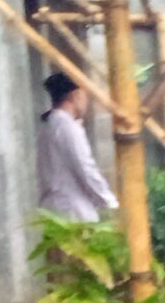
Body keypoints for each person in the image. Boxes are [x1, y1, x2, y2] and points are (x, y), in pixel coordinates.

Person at [36, 72, 118, 223]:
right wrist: (109, 201)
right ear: (75, 95)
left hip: (53, 209)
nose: (86, 102)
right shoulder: (67, 127)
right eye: (85, 96)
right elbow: (85, 167)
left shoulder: (50, 124)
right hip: (73, 212)